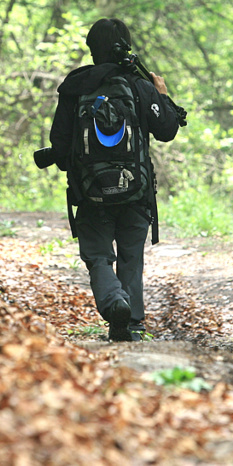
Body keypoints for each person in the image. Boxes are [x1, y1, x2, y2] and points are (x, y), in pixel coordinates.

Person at [49, 18, 179, 341]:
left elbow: (60, 144)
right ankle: (132, 324)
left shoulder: (74, 87)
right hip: (136, 192)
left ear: (93, 50)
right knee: (131, 258)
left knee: (98, 257)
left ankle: (114, 301)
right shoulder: (139, 85)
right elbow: (167, 129)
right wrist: (162, 95)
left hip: (92, 196)